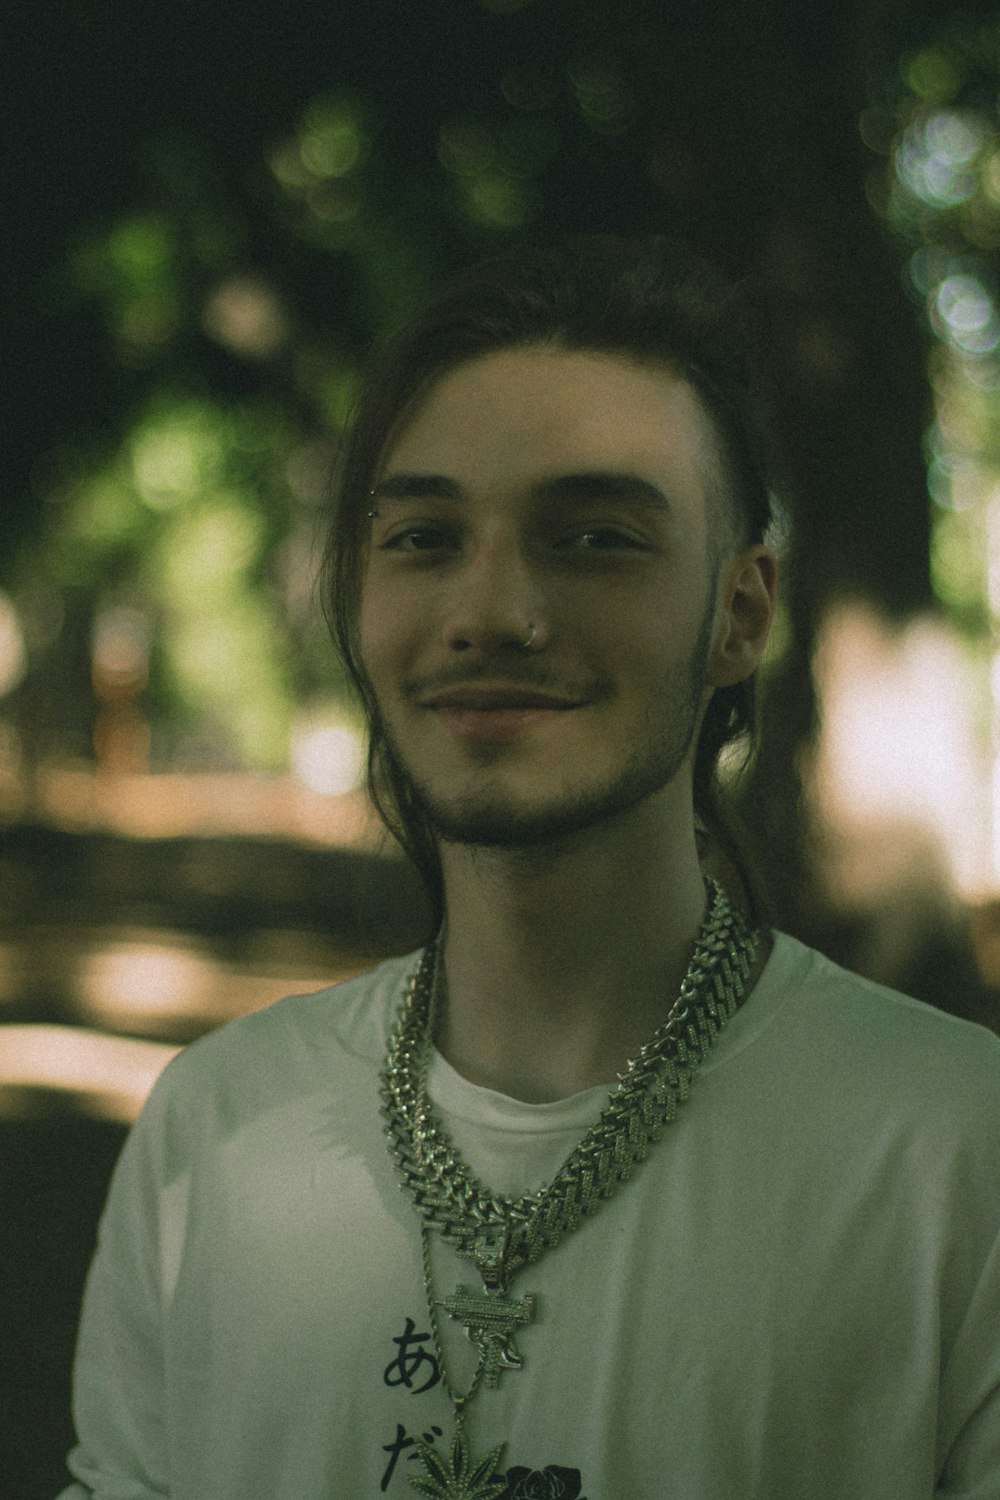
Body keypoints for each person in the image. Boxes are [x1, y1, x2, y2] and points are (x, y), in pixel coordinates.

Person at [58, 237, 1000, 1500]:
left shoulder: (955, 1153)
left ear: (740, 614)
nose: (491, 609)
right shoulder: (212, 1129)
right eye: (424, 537)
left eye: (596, 537)